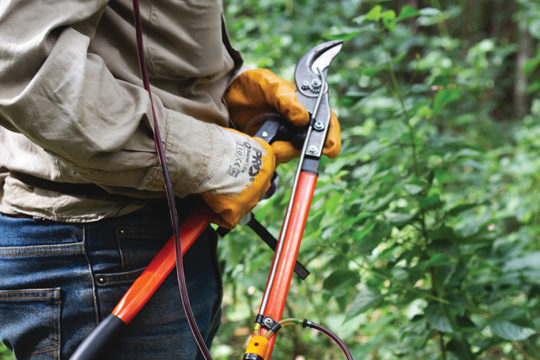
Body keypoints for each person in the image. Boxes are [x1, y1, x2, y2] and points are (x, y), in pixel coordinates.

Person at [0, 1, 341, 359]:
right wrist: (210, 157)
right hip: (101, 249)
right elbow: (19, 63)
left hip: (150, 237)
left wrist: (221, 98)